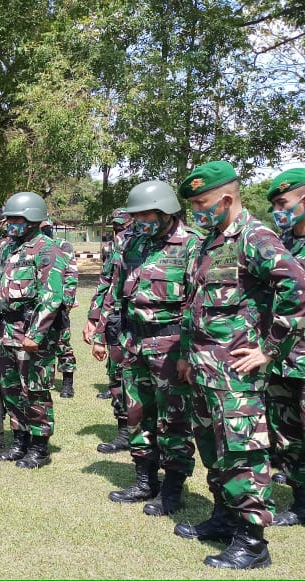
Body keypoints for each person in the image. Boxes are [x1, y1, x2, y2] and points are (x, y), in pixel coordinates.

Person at [175, 160, 305, 569]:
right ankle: (225, 517)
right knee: (214, 450)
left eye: (201, 202)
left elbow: (297, 287)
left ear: (226, 198)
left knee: (242, 451)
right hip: (203, 368)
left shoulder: (256, 237)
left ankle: (252, 541)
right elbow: (194, 304)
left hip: (237, 372)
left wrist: (270, 348)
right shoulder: (208, 241)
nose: (196, 210)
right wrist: (184, 356)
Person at [95, 180, 199, 516]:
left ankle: (171, 491)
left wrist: (186, 353)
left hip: (170, 345)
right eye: (135, 215)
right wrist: (100, 324)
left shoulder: (191, 245)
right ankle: (145, 480)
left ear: (166, 210)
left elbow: (196, 304)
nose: (139, 220)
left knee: (173, 420)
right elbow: (116, 287)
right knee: (138, 413)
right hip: (134, 341)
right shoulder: (132, 242)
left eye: (146, 214)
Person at [0, 192, 73, 468]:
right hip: (4, 329)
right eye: (9, 219)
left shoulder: (48, 249)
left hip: (31, 331)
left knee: (34, 389)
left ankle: (39, 446)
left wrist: (37, 333)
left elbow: (52, 296)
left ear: (33, 218)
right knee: (9, 389)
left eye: (17, 219)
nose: (11, 224)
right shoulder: (3, 248)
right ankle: (19, 439)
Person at [266, 168, 305, 528]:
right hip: (282, 358)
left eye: (283, 202)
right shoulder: (281, 243)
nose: (279, 210)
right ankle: (300, 500)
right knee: (287, 434)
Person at [86, 209, 134, 456]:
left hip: (149, 326)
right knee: (117, 378)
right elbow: (107, 283)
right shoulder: (117, 247)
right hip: (117, 320)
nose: (119, 230)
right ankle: (124, 433)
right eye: (116, 227)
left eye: (123, 225)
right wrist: (94, 319)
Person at [40, 218, 79, 397]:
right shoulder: (32, 246)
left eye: (48, 227)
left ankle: (67, 383)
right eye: (43, 228)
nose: (46, 230)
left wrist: (67, 302)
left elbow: (71, 275)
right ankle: (43, 381)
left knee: (63, 344)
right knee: (40, 344)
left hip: (59, 303)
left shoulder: (63, 245)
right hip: (38, 304)